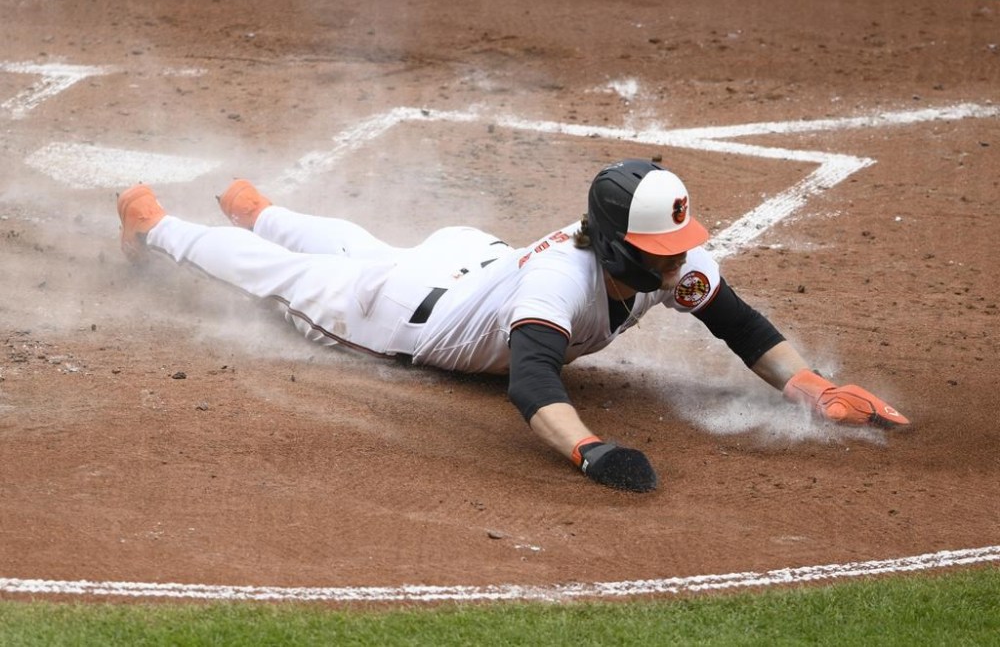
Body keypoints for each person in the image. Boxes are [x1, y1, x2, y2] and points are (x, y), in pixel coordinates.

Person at [115, 159, 910, 493]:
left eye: (678, 247)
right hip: (401, 313)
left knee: (366, 249)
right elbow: (531, 381)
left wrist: (812, 387)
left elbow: (740, 325)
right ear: (617, 245)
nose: (677, 265)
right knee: (292, 277)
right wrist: (588, 450)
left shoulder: (668, 260)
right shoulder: (560, 283)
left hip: (466, 265)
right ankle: (157, 226)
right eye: (660, 253)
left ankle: (261, 211)